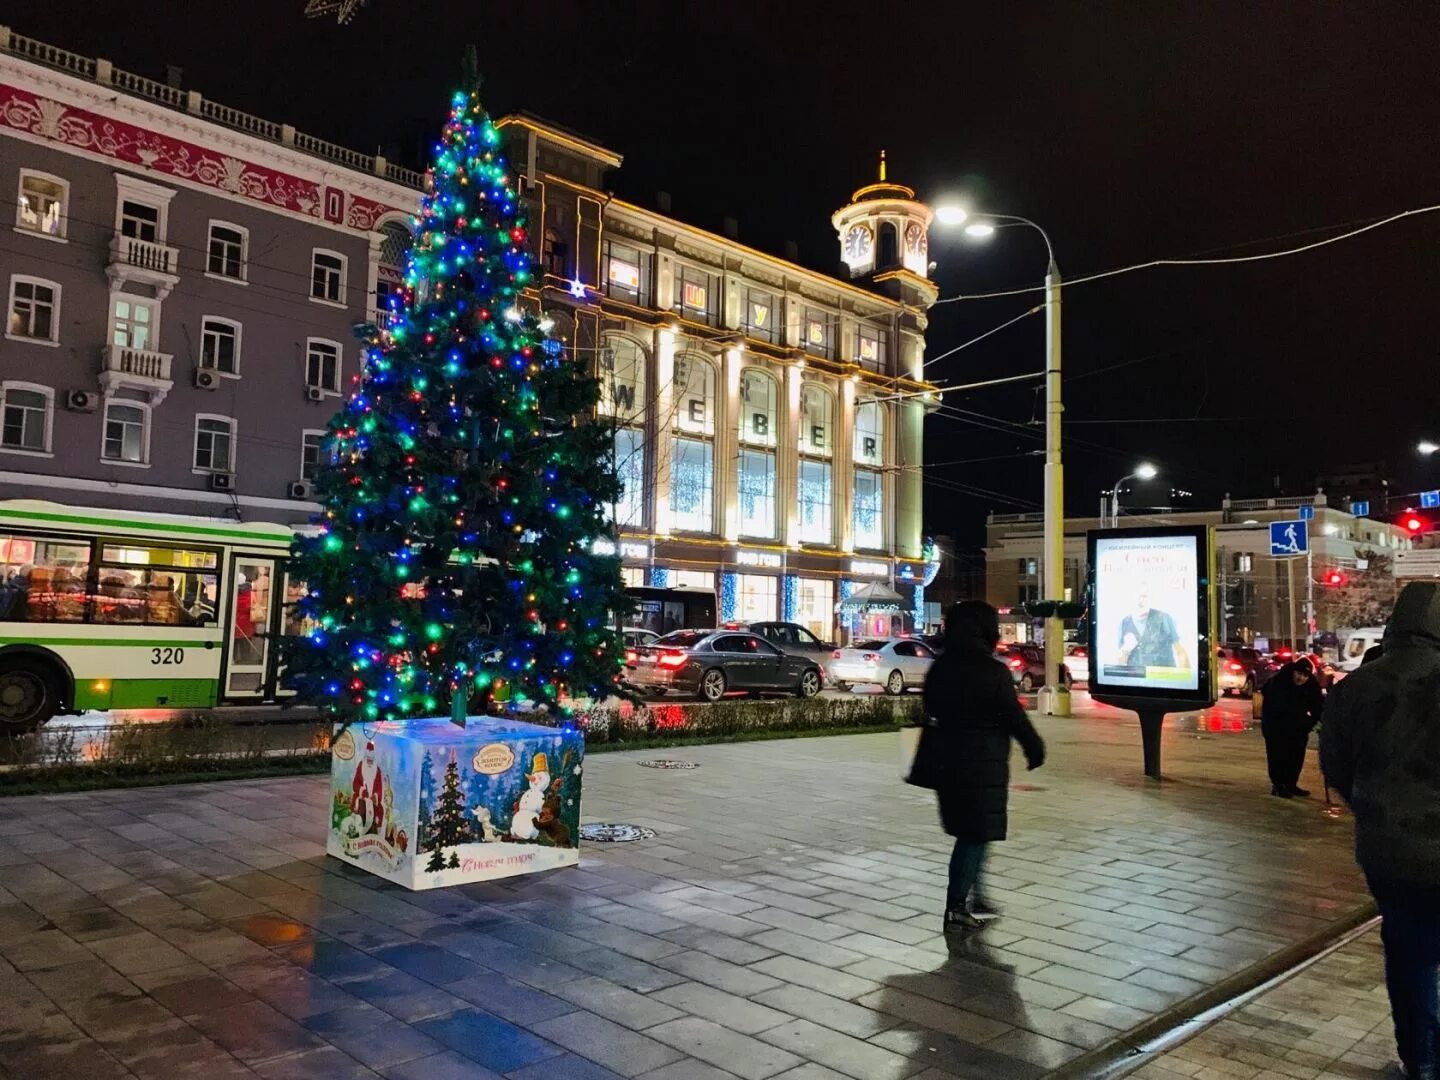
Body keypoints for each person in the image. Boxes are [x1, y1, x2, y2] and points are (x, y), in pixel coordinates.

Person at [1320, 581, 1440, 1080]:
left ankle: (1422, 1059)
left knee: (1409, 956)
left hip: (1390, 852)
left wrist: (1374, 808)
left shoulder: (1358, 687)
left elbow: (1335, 766)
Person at [922, 600, 1045, 934]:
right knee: (973, 836)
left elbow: (929, 705)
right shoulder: (993, 672)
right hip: (982, 766)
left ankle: (975, 897)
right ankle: (957, 907)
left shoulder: (941, 668)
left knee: (974, 833)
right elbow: (1015, 716)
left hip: (947, 764)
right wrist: (1034, 747)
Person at [1260, 656, 1323, 797]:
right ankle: (1278, 785)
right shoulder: (1278, 683)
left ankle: (1291, 784)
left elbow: (1317, 706)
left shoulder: (1311, 685)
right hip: (1275, 727)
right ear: (1293, 672)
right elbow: (1272, 708)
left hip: (1298, 728)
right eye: (1299, 674)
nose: (1301, 678)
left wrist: (1313, 723)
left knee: (1296, 757)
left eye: (1305, 676)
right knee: (1278, 756)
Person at [1114, 584, 1191, 670]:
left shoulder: (1164, 618)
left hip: (1164, 680)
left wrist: (1185, 679)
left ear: (1150, 598)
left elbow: (1180, 652)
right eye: (1136, 596)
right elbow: (1119, 662)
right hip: (1136, 680)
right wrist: (1126, 648)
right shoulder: (1124, 623)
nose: (1140, 600)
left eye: (1144, 596)